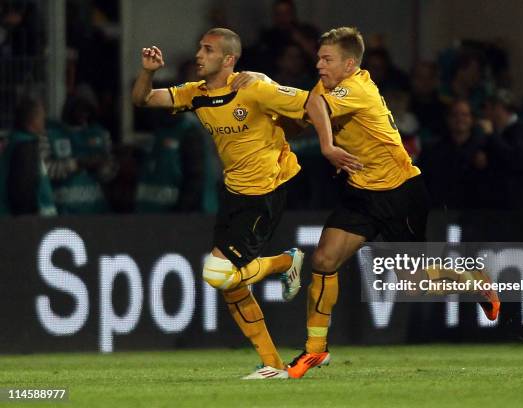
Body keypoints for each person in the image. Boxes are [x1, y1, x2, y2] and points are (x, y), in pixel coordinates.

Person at [131, 27, 360, 379]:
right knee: (231, 284)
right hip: (233, 193)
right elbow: (142, 100)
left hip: (264, 194)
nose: (198, 55)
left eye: (207, 50)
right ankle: (272, 364)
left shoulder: (254, 87)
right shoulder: (196, 94)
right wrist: (148, 71)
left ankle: (287, 262)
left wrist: (326, 145)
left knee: (217, 273)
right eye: (199, 48)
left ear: (228, 59)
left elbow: (314, 103)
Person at [282, 27, 500, 379]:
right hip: (361, 192)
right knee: (324, 259)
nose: (319, 64)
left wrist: (326, 146)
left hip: (399, 192)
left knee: (413, 282)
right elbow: (309, 107)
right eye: (319, 57)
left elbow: (315, 105)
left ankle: (471, 279)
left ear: (350, 63)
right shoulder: (329, 87)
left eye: (327, 59)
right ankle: (315, 351)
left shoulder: (356, 88)